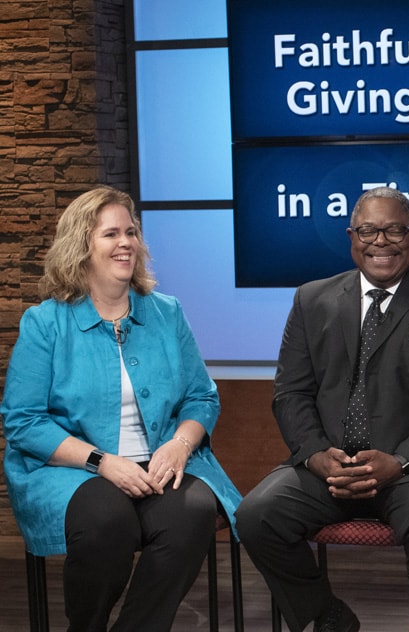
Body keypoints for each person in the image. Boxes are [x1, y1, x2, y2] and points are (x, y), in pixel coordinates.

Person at [236, 187, 409, 632]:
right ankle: (325, 614)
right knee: (256, 516)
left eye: (395, 230)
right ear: (351, 236)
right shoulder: (311, 300)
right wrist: (315, 455)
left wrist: (401, 460)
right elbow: (290, 393)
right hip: (328, 467)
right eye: (369, 230)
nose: (381, 242)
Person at [0, 185, 242, 631]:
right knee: (107, 521)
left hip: (160, 462)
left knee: (190, 514)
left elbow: (201, 396)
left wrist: (180, 446)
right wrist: (101, 461)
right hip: (73, 469)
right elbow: (23, 421)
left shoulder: (166, 313)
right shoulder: (46, 322)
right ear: (82, 247)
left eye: (131, 232)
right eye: (111, 234)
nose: (126, 243)